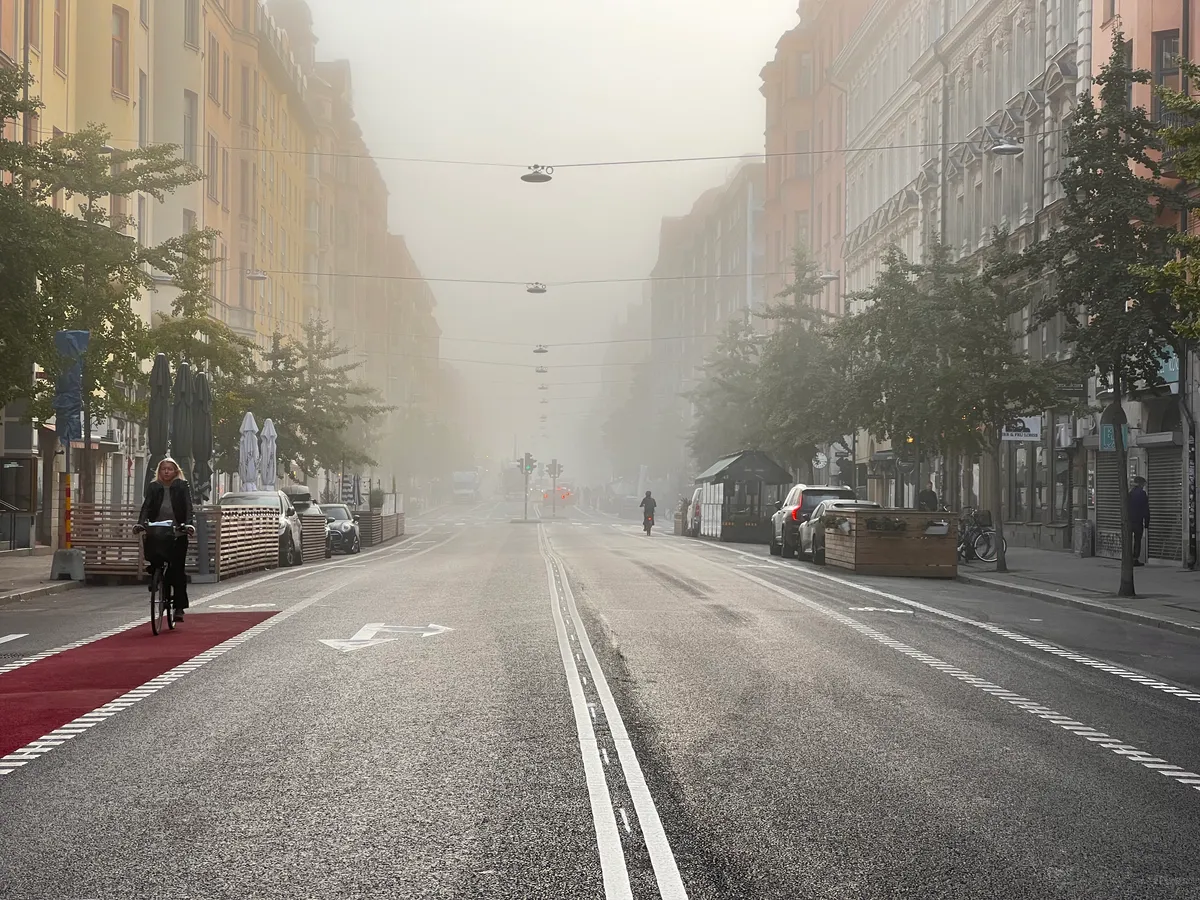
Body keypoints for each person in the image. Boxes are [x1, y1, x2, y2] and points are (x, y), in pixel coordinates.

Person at [134, 457, 195, 619]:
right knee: (155, 556)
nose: (166, 471)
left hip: (177, 531)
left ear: (175, 471)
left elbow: (188, 507)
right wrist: (141, 524)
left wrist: (189, 524)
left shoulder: (182, 486)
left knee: (177, 570)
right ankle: (154, 575)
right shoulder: (154, 487)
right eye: (163, 469)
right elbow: (146, 507)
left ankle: (179, 607)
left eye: (169, 469)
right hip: (158, 531)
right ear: (159, 471)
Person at [1129, 475, 1150, 567]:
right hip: (1138, 521)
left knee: (1128, 540)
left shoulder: (1129, 492)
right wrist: (1147, 522)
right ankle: (1135, 559)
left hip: (1129, 521)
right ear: (1141, 484)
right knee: (1137, 540)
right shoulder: (1142, 493)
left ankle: (1127, 558)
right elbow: (1145, 509)